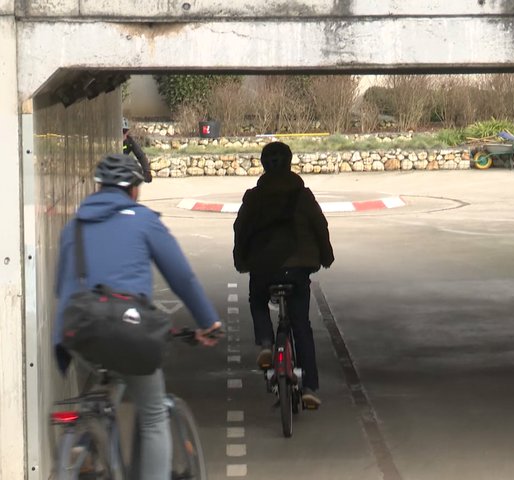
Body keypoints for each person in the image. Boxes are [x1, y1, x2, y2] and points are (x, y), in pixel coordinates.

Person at [53, 153, 221, 480]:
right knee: (154, 413)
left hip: (78, 331)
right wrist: (207, 322)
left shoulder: (73, 226)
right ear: (133, 190)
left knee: (102, 378)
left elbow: (63, 287)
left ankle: (86, 446)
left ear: (99, 186)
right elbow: (182, 277)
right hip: (130, 332)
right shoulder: (144, 220)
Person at [232, 141, 334, 409]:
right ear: (290, 162)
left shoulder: (254, 197)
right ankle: (310, 387)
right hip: (299, 268)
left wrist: (241, 261)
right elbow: (320, 226)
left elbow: (241, 230)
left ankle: (266, 342)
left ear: (263, 164)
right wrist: (326, 256)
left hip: (264, 267)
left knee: (257, 300)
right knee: (301, 325)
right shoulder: (303, 196)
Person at [122, 118, 153, 183]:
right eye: (121, 131)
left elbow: (141, 156)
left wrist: (147, 171)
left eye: (124, 131)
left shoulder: (129, 142)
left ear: (127, 132)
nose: (123, 134)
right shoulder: (108, 142)